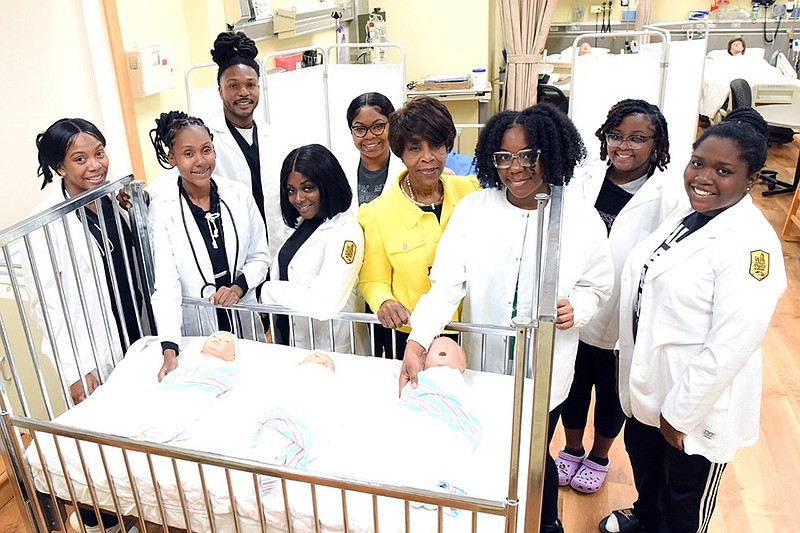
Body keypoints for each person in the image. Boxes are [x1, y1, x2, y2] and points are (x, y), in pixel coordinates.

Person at [401, 103, 614, 533]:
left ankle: (546, 522)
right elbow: (446, 284)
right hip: (488, 364)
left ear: (550, 153)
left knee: (534, 455)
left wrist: (580, 307)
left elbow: (599, 285)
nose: (515, 168)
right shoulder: (475, 211)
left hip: (546, 368)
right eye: (503, 157)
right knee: (492, 448)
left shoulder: (579, 217)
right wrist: (417, 341)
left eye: (527, 155)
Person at [599, 107, 786, 533]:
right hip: (651, 383)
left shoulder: (751, 245)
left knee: (685, 498)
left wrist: (681, 413)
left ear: (750, 179)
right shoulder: (689, 215)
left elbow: (732, 344)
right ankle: (645, 521)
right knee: (648, 471)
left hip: (696, 403)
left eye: (724, 170)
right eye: (698, 163)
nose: (703, 177)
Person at [556, 100, 687, 494]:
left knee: (614, 391)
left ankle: (599, 455)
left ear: (657, 143)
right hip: (579, 305)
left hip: (627, 315)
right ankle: (573, 448)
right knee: (574, 385)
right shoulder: (586, 178)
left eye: (637, 138)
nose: (623, 146)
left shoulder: (669, 195)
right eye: (616, 136)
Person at [26, 118, 144, 407]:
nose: (95, 165)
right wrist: (75, 370)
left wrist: (141, 207)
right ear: (60, 167)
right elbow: (46, 305)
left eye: (99, 153)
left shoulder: (112, 198)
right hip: (95, 344)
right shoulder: (47, 222)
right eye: (80, 159)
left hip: (137, 327)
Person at [148, 110, 269, 382]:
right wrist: (169, 348)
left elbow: (260, 256)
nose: (200, 161)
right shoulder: (163, 210)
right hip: (200, 325)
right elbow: (166, 284)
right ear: (172, 158)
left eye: (206, 150)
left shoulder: (238, 194)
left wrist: (239, 287)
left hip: (242, 312)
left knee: (253, 384)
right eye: (188, 154)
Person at [357, 96, 481, 358]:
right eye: (415, 149)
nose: (428, 158)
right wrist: (384, 302)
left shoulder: (469, 191)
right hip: (410, 333)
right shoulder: (377, 213)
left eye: (436, 145)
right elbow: (373, 279)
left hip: (470, 329)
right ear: (401, 153)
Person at [259, 144, 364, 352]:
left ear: (328, 185)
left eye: (308, 188)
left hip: (331, 349)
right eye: (291, 190)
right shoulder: (304, 224)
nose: (298, 199)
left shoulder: (346, 231)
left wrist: (269, 291)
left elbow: (324, 302)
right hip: (292, 341)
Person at [345, 92, 404, 206]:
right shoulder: (341, 172)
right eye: (360, 129)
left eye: (378, 126)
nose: (369, 136)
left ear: (392, 126)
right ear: (351, 131)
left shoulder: (407, 170)